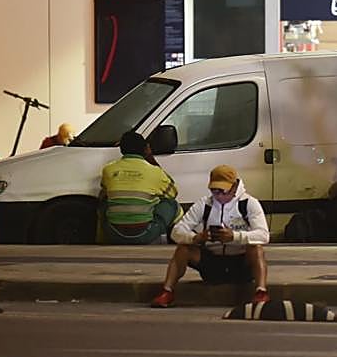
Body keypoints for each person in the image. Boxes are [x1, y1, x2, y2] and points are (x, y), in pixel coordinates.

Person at [150, 165, 269, 307]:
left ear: (234, 187)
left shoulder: (249, 203)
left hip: (241, 263)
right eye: (214, 191)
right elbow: (177, 231)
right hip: (213, 262)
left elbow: (263, 235)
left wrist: (235, 237)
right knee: (183, 249)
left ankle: (261, 292)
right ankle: (167, 291)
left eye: (222, 191)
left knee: (256, 248)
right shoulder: (205, 204)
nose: (218, 196)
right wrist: (195, 238)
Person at [98, 130, 181, 244]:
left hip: (113, 234)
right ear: (145, 149)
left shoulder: (108, 169)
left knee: (103, 201)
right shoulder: (154, 171)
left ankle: (101, 240)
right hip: (143, 235)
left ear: (121, 150)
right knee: (172, 204)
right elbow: (173, 193)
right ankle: (171, 241)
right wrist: (151, 158)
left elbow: (104, 192)